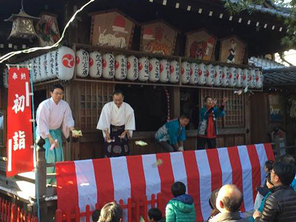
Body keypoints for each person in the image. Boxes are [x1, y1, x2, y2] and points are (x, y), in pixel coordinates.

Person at [36, 84, 78, 184]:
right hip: (44, 134)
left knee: (58, 156)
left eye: (61, 93)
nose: (59, 95)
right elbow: (42, 122)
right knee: (48, 157)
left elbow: (68, 120)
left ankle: (56, 180)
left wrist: (73, 130)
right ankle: (45, 181)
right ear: (51, 93)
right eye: (56, 93)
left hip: (56, 133)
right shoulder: (44, 105)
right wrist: (49, 137)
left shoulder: (65, 105)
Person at [97, 90, 135, 157]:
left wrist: (126, 131)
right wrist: (106, 133)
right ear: (113, 98)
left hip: (122, 131)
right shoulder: (107, 106)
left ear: (123, 98)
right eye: (116, 100)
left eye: (119, 100)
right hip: (111, 131)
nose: (118, 102)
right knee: (109, 151)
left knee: (124, 152)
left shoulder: (128, 107)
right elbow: (104, 120)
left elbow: (130, 121)